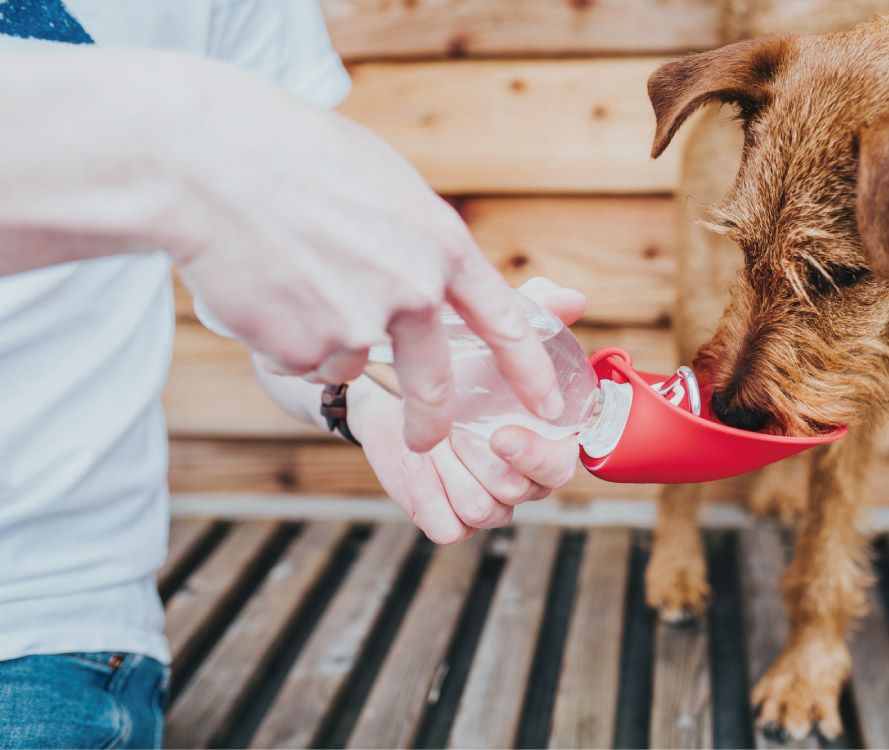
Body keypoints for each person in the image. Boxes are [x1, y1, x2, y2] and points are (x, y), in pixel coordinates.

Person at [0, 2, 579, 747]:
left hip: (38, 615)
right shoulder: (202, 118)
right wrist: (190, 131)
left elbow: (284, 324)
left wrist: (364, 406)